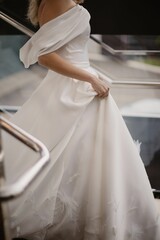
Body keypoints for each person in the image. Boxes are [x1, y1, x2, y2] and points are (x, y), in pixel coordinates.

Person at [2, 0, 160, 239]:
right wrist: (90, 78)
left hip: (77, 85)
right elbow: (44, 56)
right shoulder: (58, 0)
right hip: (77, 88)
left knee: (87, 155)